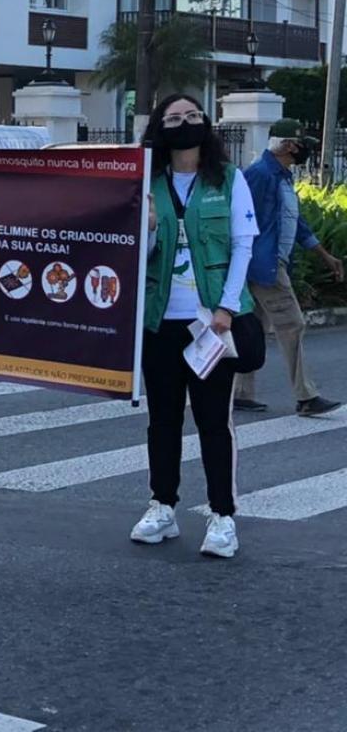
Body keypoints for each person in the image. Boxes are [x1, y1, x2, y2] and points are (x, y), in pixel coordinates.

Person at [132, 94, 257, 559]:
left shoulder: (229, 180)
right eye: (173, 118)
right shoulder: (149, 181)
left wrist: (226, 309)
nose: (184, 124)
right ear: (160, 129)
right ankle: (162, 506)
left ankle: (222, 516)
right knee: (162, 421)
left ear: (205, 124)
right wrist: (147, 229)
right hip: (160, 319)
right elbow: (136, 255)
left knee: (212, 422)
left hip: (210, 323)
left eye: (192, 116)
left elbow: (243, 247)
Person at [233, 119, 342, 417]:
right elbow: (241, 221)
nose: (304, 149)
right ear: (288, 145)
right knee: (293, 324)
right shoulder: (260, 175)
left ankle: (241, 393)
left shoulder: (281, 175)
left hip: (268, 263)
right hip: (264, 265)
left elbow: (297, 224)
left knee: (253, 329)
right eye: (301, 144)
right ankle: (306, 396)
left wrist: (325, 256)